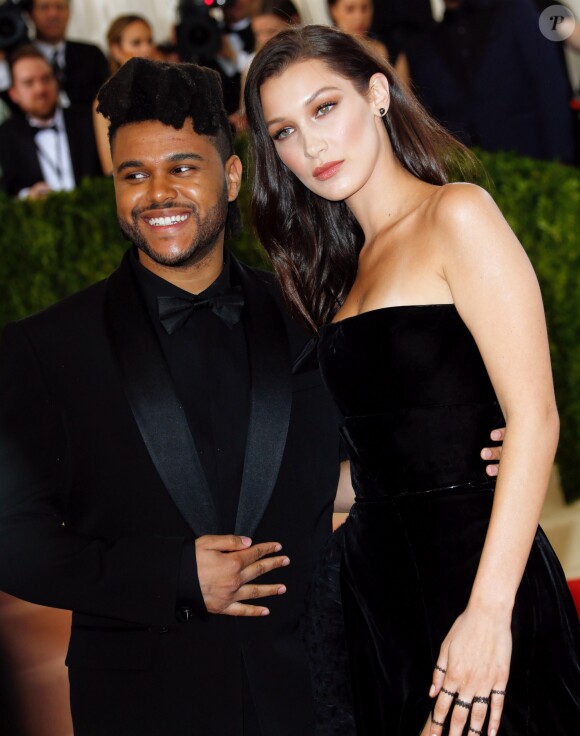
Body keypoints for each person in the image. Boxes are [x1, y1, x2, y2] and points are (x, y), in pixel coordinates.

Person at [0, 55, 503, 735]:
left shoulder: (313, 313)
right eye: (133, 175)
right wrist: (173, 575)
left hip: (314, 694)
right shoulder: (47, 348)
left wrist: (458, 461)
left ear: (231, 176)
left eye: (182, 167)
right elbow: (14, 542)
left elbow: (356, 466)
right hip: (143, 706)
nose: (157, 194)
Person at [244, 24, 580, 736]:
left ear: (376, 93)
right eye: (285, 131)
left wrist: (488, 613)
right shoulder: (334, 274)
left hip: (478, 571)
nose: (312, 146)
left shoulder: (456, 213)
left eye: (325, 108)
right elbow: (375, 464)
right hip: (377, 590)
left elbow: (535, 417)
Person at [407, 0, 575, 163]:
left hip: (534, 162)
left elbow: (550, 87)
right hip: (471, 171)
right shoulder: (427, 44)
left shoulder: (518, 10)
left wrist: (561, 158)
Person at [0, 45, 101, 199]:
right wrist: (28, 195)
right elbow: (9, 188)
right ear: (14, 94)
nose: (40, 89)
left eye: (46, 78)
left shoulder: (88, 120)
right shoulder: (7, 134)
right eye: (29, 83)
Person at [93, 15, 155, 175]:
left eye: (149, 41)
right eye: (136, 43)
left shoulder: (168, 89)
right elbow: (110, 167)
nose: (146, 49)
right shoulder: (105, 101)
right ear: (116, 50)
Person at [26, 0, 109, 107]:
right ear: (30, 14)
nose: (53, 14)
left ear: (69, 12)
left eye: (60, 7)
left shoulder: (92, 55)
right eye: (44, 7)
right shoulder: (17, 57)